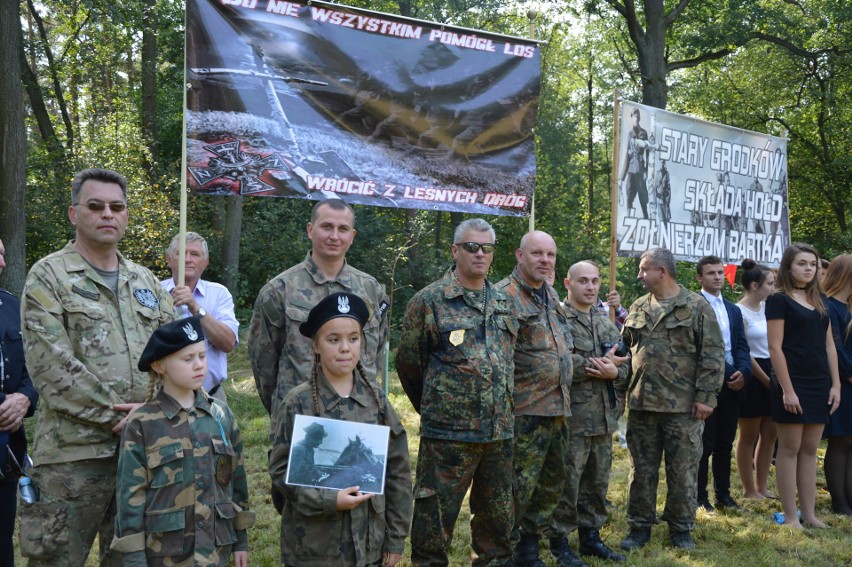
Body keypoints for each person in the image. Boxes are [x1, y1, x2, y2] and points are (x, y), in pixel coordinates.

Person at [19, 168, 175, 566]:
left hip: (143, 455)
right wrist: (119, 415)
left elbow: (177, 357)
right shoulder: (49, 276)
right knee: (55, 560)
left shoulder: (147, 282)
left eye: (116, 207)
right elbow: (50, 366)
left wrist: (155, 413)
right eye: (95, 206)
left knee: (134, 560)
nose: (108, 213)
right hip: (73, 460)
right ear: (75, 214)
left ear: (125, 214)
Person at [396, 218, 518, 567]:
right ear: (455, 250)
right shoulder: (430, 300)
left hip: (499, 432)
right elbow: (409, 364)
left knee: (497, 521)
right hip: (448, 435)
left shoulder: (503, 302)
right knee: (434, 520)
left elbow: (508, 361)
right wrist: (439, 408)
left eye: (487, 248)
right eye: (471, 247)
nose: (480, 254)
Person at [270, 292, 411, 567]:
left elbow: (398, 473)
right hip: (315, 548)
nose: (345, 348)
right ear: (316, 345)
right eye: (333, 340)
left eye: (353, 338)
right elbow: (280, 473)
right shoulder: (298, 403)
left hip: (370, 546)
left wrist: (395, 538)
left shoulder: (377, 402)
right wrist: (327, 499)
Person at [112, 316, 254, 566]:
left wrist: (240, 539)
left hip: (215, 551)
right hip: (166, 554)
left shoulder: (220, 415)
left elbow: (236, 480)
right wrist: (134, 558)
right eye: (188, 359)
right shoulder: (143, 423)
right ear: (159, 366)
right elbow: (130, 498)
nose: (199, 365)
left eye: (202, 355)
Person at [618, 248, 724, 551]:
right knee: (641, 471)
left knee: (683, 471)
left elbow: (713, 355)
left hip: (683, 407)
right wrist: (620, 394)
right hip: (642, 405)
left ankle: (680, 529)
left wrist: (706, 397)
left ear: (661, 271)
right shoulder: (638, 307)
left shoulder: (696, 306)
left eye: (643, 269)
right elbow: (625, 354)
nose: (639, 275)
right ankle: (639, 527)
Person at [249, 198, 390, 426]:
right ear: (310, 230)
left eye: (342, 229)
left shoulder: (371, 289)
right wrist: (283, 408)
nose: (334, 236)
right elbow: (263, 364)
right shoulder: (279, 290)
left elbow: (377, 353)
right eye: (327, 227)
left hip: (360, 418)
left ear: (352, 236)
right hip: (301, 419)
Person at [494, 232, 575, 567]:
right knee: (515, 488)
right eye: (538, 253)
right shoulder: (503, 296)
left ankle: (529, 547)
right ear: (519, 255)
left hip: (557, 407)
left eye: (551, 255)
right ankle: (504, 551)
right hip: (523, 411)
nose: (545, 260)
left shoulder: (550, 294)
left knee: (549, 484)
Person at [547, 261, 628, 564]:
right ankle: (559, 541)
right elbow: (558, 362)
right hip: (572, 417)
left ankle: (590, 537)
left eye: (595, 281)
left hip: (604, 417)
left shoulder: (605, 321)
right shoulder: (558, 319)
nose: (591, 287)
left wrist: (614, 374)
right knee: (567, 482)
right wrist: (599, 367)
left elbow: (624, 363)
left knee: (597, 482)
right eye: (583, 281)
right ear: (568, 283)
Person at [766, 243, 840, 529]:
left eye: (812, 263)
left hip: (819, 383)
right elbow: (775, 347)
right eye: (802, 263)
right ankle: (790, 516)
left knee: (810, 449)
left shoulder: (820, 301)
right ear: (788, 266)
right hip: (791, 382)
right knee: (789, 448)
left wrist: (835, 385)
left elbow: (829, 345)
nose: (809, 268)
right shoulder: (778, 300)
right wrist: (787, 389)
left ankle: (809, 514)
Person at [695, 256, 752, 512]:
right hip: (708, 382)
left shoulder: (733, 309)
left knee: (725, 443)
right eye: (710, 273)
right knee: (705, 443)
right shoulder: (694, 305)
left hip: (734, 383)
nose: (717, 277)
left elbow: (741, 343)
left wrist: (744, 370)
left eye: (720, 272)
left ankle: (724, 495)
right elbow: (699, 348)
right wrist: (730, 373)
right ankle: (699, 496)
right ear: (699, 278)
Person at [161, 232, 239, 403]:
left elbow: (228, 343)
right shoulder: (155, 292)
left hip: (211, 397)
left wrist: (195, 307)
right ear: (169, 258)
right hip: (164, 400)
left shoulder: (219, 294)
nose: (188, 259)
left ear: (205, 262)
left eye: (195, 254)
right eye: (182, 253)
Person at [0, 239, 39, 567]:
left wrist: (25, 397)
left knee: (2, 536)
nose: (1, 262)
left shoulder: (13, 306)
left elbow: (35, 367)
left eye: (2, 254)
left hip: (7, 443)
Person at [735, 260, 778, 500]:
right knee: (749, 435)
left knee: (770, 433)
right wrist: (764, 380)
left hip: (773, 368)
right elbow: (744, 351)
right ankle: (749, 488)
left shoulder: (768, 307)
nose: (773, 288)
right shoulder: (738, 311)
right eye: (770, 284)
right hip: (753, 373)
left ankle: (762, 486)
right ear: (754, 285)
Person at [817, 254, 852, 515]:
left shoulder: (849, 307)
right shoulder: (828, 306)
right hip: (841, 384)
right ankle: (839, 503)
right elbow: (836, 350)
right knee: (840, 442)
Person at [619, 107, 650, 219]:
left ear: (640, 118)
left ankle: (646, 220)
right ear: (632, 118)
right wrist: (622, 176)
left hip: (641, 170)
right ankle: (629, 222)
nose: (636, 118)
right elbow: (627, 156)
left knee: (643, 198)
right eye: (634, 116)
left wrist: (646, 170)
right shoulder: (629, 134)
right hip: (631, 170)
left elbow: (648, 154)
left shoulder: (644, 133)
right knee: (629, 197)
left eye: (638, 116)